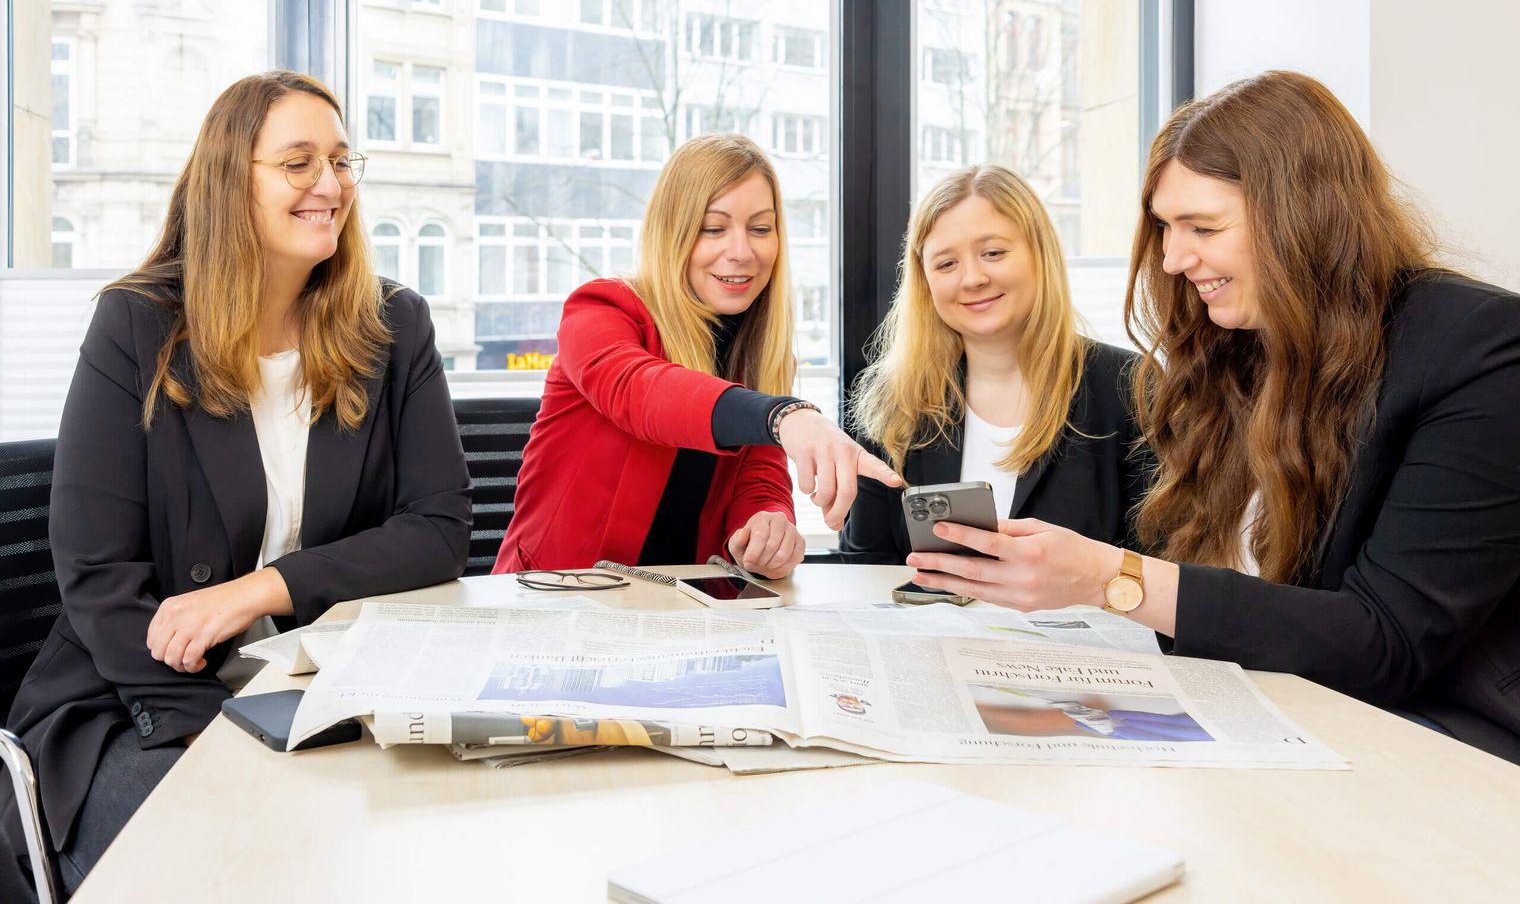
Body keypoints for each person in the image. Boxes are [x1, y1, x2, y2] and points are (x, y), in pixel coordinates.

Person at [906, 71, 1520, 763]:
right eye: (1167, 228)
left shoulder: (1481, 348)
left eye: (1202, 227)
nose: (1173, 257)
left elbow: (1386, 640)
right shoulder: (1239, 352)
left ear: (1304, 214)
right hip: (1287, 711)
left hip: (1445, 745)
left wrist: (1112, 578)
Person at [0, 71, 471, 895]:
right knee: (240, 868)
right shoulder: (137, 325)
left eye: (339, 160)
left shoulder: (395, 324)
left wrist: (264, 589)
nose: (330, 185)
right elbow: (98, 577)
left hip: (318, 693)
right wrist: (205, 732)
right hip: (135, 703)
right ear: (231, 180)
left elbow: (438, 527)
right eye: (297, 163)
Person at [493, 134, 899, 579]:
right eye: (713, 228)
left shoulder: (759, 351)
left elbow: (758, 478)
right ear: (674, 232)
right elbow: (641, 391)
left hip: (687, 614)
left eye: (761, 229)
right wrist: (785, 416)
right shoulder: (601, 310)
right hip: (561, 601)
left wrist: (767, 525)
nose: (742, 251)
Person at [840, 165, 1149, 562]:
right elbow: (865, 568)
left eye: (993, 253)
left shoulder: (1130, 387)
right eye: (946, 263)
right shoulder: (893, 399)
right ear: (925, 281)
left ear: (1040, 255)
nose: (972, 278)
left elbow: (1158, 567)